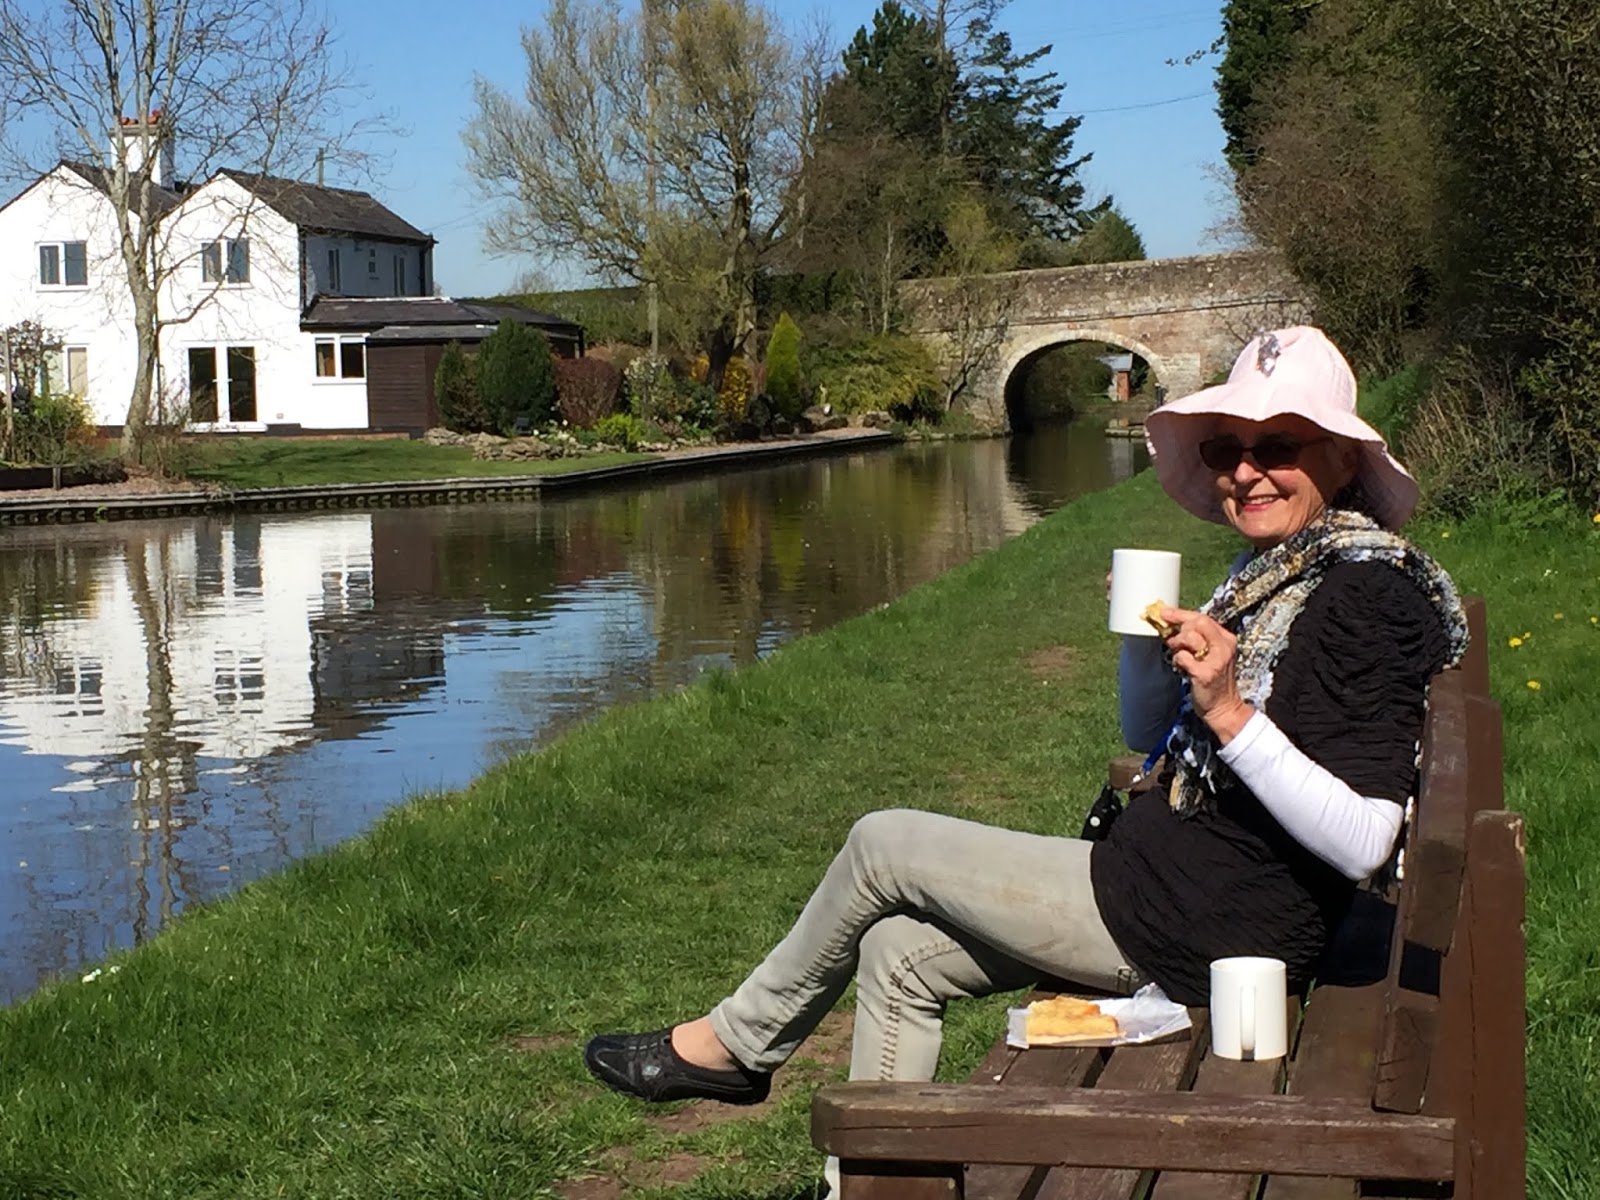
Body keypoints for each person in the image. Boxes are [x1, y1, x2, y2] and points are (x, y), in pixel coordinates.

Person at [583, 327, 1468, 1139]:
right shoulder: (1284, 572)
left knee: (882, 842)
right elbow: (1149, 729)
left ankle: (737, 1048)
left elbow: (1364, 839)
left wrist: (1232, 714)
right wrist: (1145, 647)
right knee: (897, 954)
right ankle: (871, 1187)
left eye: (1277, 446)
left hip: (1205, 923)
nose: (1246, 472)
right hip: (1171, 885)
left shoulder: (1365, 595)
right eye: (1226, 450)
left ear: (1344, 460)